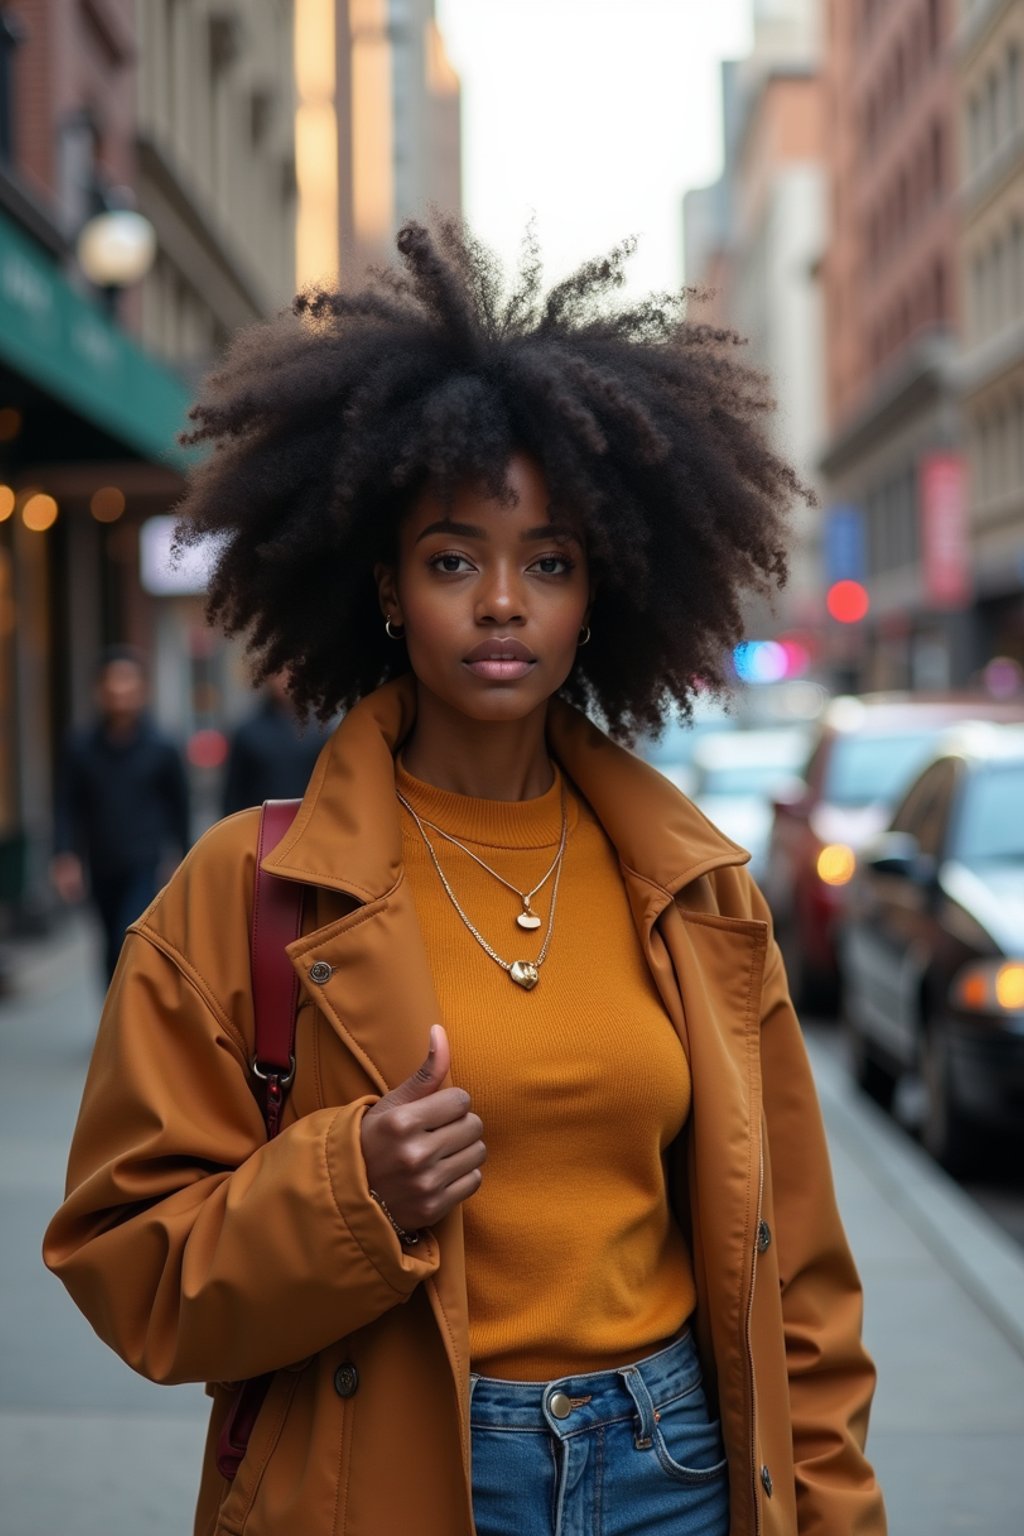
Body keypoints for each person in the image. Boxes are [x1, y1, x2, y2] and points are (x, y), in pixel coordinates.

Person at [44, 222, 886, 1536]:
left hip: (679, 1473)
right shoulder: (246, 889)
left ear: (598, 591)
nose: (503, 601)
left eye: (548, 561)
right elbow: (123, 1258)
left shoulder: (696, 891)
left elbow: (806, 1295)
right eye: (454, 560)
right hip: (397, 1475)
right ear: (387, 586)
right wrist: (346, 1190)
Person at [50, 646, 190, 981]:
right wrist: (64, 855)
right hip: (100, 861)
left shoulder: (163, 746)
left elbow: (179, 807)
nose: (120, 691)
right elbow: (66, 805)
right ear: (99, 690)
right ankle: (113, 1022)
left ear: (142, 690)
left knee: (129, 937)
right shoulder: (80, 746)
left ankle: (133, 1023)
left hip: (147, 862)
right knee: (109, 942)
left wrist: (181, 858)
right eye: (112, 683)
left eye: (128, 682)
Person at [221, 669, 329, 816]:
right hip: (258, 826)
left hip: (308, 824)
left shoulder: (321, 730)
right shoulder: (248, 732)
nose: (284, 680)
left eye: (290, 671)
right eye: (278, 673)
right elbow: (233, 795)